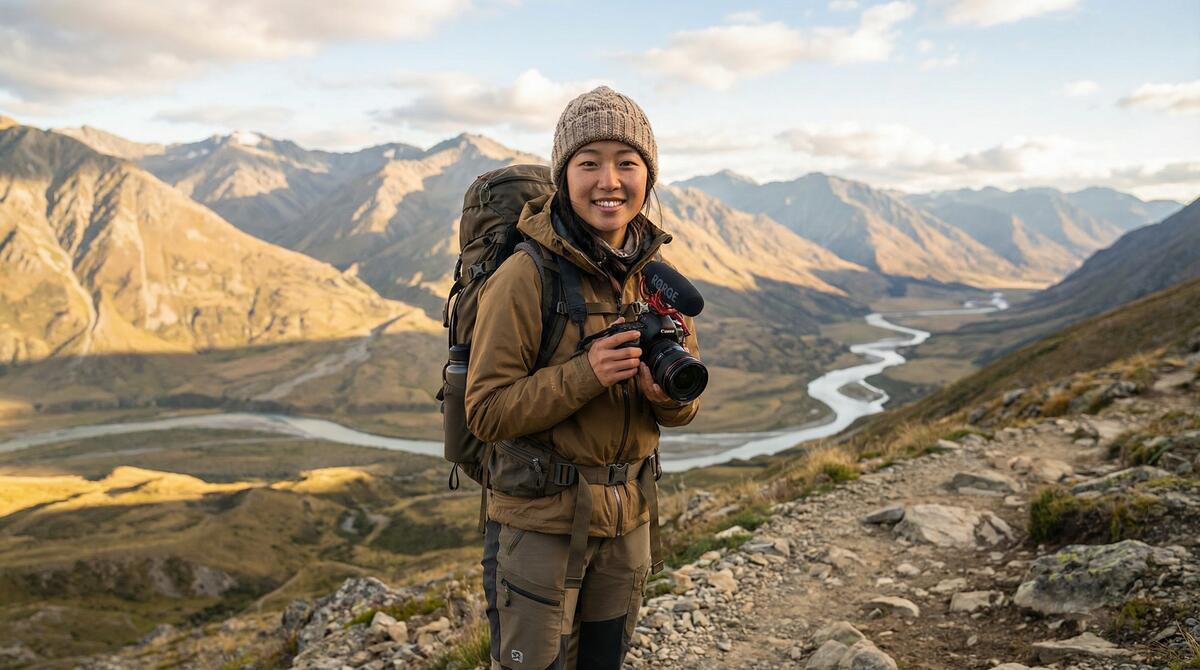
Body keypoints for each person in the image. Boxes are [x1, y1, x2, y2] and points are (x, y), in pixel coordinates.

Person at [465, 86, 701, 670]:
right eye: (589, 163)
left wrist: (664, 398)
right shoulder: (525, 276)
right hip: (540, 526)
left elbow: (682, 405)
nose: (608, 182)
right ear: (563, 175)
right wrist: (586, 374)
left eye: (627, 163)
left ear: (648, 175)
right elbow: (486, 411)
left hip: (627, 522)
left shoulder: (657, 279)